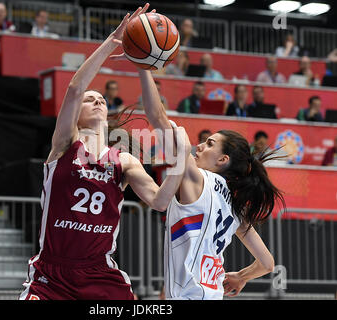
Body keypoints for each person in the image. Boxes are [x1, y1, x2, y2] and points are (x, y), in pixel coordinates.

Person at [19, 4, 191, 300]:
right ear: (77, 112)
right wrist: (110, 44)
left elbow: (161, 202)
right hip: (51, 274)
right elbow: (74, 88)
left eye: (101, 99)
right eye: (90, 99)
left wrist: (181, 158)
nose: (97, 100)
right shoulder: (64, 146)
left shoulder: (124, 160)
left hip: (100, 274)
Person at [134, 67, 285, 300]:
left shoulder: (196, 178)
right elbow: (267, 263)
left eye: (209, 143)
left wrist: (143, 65)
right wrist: (241, 276)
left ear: (223, 160)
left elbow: (157, 116)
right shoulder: (236, 207)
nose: (200, 146)